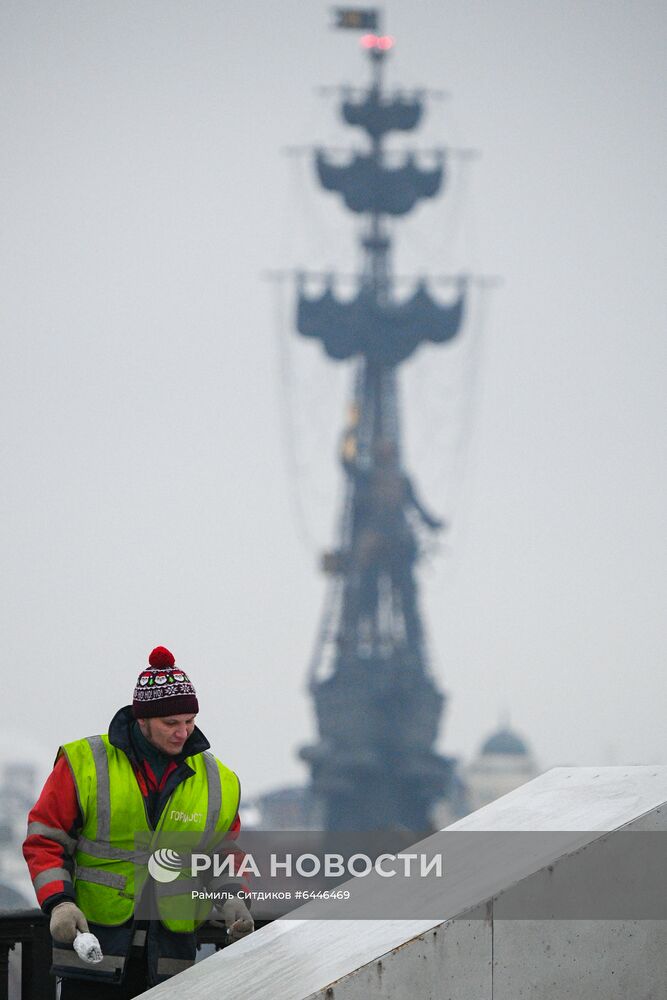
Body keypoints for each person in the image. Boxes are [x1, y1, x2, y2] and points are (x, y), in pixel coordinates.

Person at [23, 645, 253, 997]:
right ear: (141, 718)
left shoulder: (218, 780)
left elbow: (223, 853)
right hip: (93, 950)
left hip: (171, 962)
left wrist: (235, 897)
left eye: (190, 721)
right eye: (171, 723)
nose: (183, 732)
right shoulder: (85, 762)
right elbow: (46, 839)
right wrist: (59, 902)